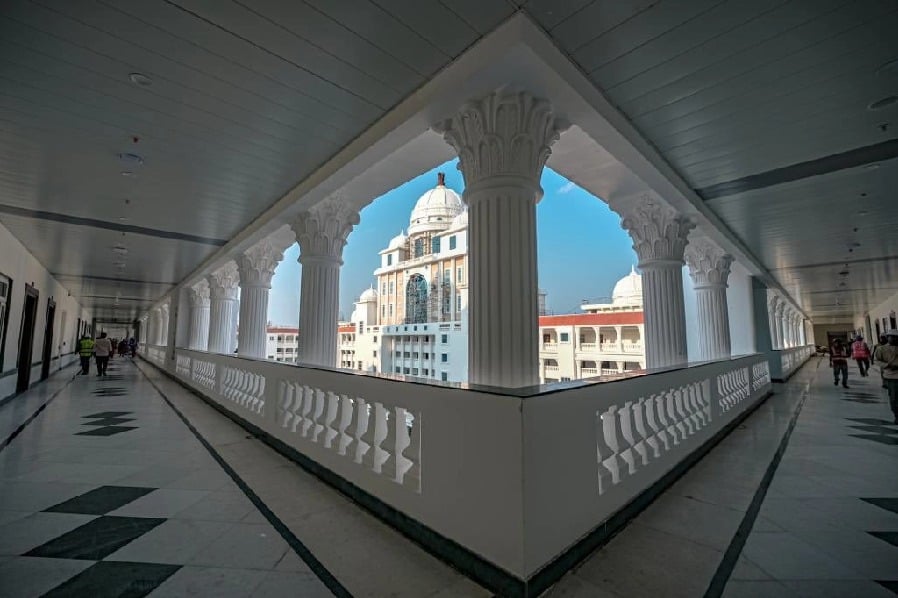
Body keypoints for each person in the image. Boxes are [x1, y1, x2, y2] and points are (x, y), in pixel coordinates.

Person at [873, 330, 898, 424]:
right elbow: (876, 360)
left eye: (896, 337)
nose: (894, 339)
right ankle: (897, 415)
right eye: (892, 337)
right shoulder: (881, 349)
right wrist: (887, 365)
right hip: (892, 376)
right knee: (894, 398)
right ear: (888, 337)